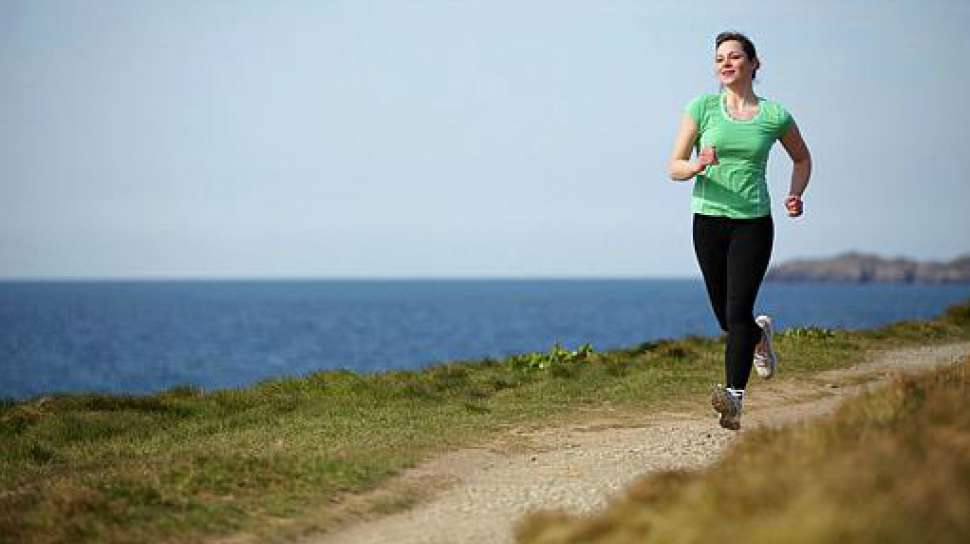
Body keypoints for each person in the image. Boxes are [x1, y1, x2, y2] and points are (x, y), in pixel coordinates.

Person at [668, 31, 812, 430]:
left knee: (735, 311)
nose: (725, 63)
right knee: (726, 319)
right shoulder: (702, 109)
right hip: (708, 222)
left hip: (753, 223)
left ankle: (733, 400)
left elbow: (801, 158)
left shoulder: (774, 116)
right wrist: (697, 165)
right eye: (719, 59)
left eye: (734, 57)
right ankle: (759, 336)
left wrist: (795, 194)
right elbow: (674, 167)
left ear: (753, 64)